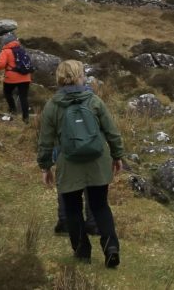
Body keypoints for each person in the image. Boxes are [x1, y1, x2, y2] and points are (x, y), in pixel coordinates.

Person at [37, 60, 124, 268]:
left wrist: (45, 166)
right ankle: (111, 247)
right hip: (97, 161)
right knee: (100, 206)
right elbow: (112, 131)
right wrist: (117, 155)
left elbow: (45, 140)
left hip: (69, 163)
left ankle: (82, 252)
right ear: (79, 77)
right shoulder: (94, 101)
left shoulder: (52, 106)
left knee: (73, 208)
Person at [0, 33, 32, 122]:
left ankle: (13, 110)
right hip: (26, 77)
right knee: (23, 97)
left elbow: (1, 64)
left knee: (7, 92)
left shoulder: (5, 51)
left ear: (5, 42)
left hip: (11, 78)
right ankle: (26, 118)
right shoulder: (22, 50)